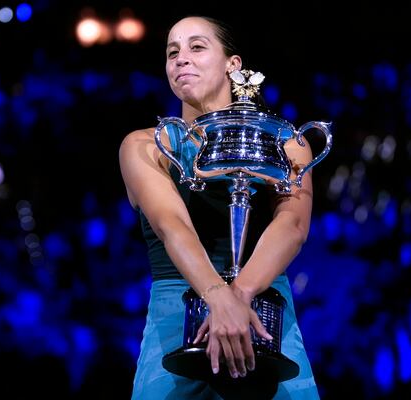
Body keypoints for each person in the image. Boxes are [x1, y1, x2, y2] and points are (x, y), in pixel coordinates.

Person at [119, 15, 319, 399]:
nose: (181, 59)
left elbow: (292, 226)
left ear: (233, 64)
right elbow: (171, 225)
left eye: (197, 47)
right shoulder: (145, 146)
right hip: (176, 312)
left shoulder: (285, 142)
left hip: (263, 313)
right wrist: (217, 295)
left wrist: (239, 297)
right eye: (172, 52)